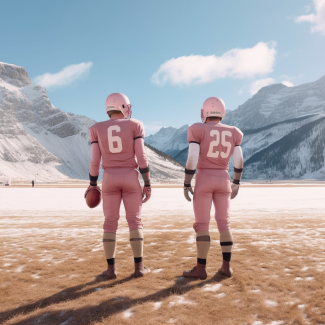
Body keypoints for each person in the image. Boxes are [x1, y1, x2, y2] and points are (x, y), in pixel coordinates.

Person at [84, 93, 151, 279]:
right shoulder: (135, 125)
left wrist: (92, 184)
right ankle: (139, 268)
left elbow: (94, 162)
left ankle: (111, 270)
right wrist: (147, 183)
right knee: (135, 221)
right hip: (130, 176)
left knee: (110, 223)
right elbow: (142, 157)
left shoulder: (97, 129)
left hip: (109, 178)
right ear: (123, 106)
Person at [182, 97, 244, 279]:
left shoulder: (197, 129)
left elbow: (192, 158)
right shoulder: (234, 132)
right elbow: (239, 160)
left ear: (205, 112)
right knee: (224, 223)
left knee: (202, 225)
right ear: (222, 113)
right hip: (224, 178)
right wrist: (237, 181)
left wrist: (186, 183)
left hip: (204, 178)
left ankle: (201, 269)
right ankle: (226, 267)